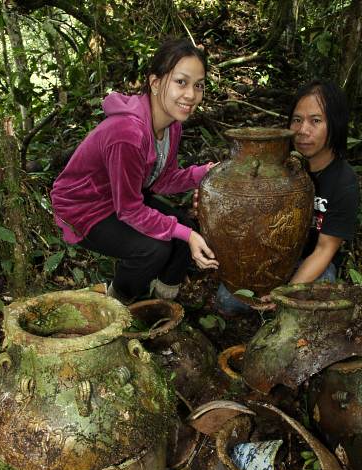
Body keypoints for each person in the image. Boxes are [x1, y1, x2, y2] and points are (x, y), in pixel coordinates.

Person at [51, 38, 218, 304]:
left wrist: (207, 173)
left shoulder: (172, 126)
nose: (191, 95)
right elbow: (129, 209)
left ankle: (162, 302)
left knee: (186, 230)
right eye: (181, 82)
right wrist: (187, 234)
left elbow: (162, 180)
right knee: (154, 248)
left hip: (121, 199)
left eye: (198, 85)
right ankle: (120, 303)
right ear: (155, 82)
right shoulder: (127, 134)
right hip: (84, 208)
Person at [216, 79, 360, 316]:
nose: (303, 130)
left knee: (317, 292)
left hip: (312, 262)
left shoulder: (344, 182)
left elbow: (324, 250)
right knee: (227, 301)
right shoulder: (278, 169)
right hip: (271, 259)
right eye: (297, 120)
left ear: (335, 124)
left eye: (316, 121)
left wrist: (286, 292)